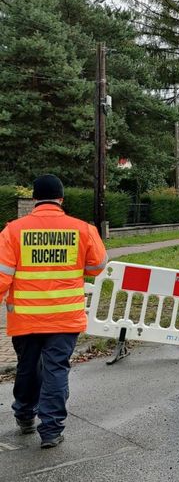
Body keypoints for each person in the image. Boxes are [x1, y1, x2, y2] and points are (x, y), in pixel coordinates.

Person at [0, 175, 107, 448]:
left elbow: (2, 276)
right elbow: (97, 267)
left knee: (27, 368)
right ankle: (51, 430)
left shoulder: (13, 231)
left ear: (34, 199)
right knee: (56, 370)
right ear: (61, 199)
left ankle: (25, 415)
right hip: (65, 317)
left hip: (25, 318)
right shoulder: (82, 229)